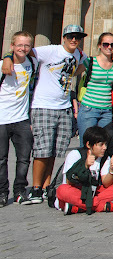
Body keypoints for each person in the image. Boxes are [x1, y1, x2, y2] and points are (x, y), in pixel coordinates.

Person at [2, 25, 87, 205]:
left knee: (54, 150)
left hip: (63, 107)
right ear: (64, 37)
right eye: (71, 36)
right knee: (41, 150)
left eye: (77, 37)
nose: (74, 40)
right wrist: (7, 57)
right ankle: (35, 187)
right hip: (43, 106)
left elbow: (81, 66)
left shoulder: (79, 54)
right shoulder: (50, 51)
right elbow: (23, 51)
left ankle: (46, 186)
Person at [55, 126, 113, 214]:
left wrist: (112, 171)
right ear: (89, 145)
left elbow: (106, 183)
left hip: (93, 192)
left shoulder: (105, 158)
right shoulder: (75, 155)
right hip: (77, 191)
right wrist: (84, 166)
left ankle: (81, 208)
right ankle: (103, 206)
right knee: (62, 190)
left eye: (105, 144)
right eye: (101, 145)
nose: (104, 148)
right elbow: (69, 181)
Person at [0, 31, 36, 206]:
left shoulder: (32, 62)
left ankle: (20, 191)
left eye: (27, 45)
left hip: (22, 118)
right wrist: (7, 57)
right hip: (1, 119)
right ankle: (2, 193)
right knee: (1, 159)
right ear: (12, 46)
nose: (23, 48)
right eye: (19, 45)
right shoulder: (2, 65)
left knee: (24, 158)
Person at [76, 32, 113, 145]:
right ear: (99, 45)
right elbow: (74, 72)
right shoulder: (90, 62)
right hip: (88, 109)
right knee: (86, 145)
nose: (109, 47)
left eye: (112, 45)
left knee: (103, 146)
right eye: (106, 44)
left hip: (107, 110)